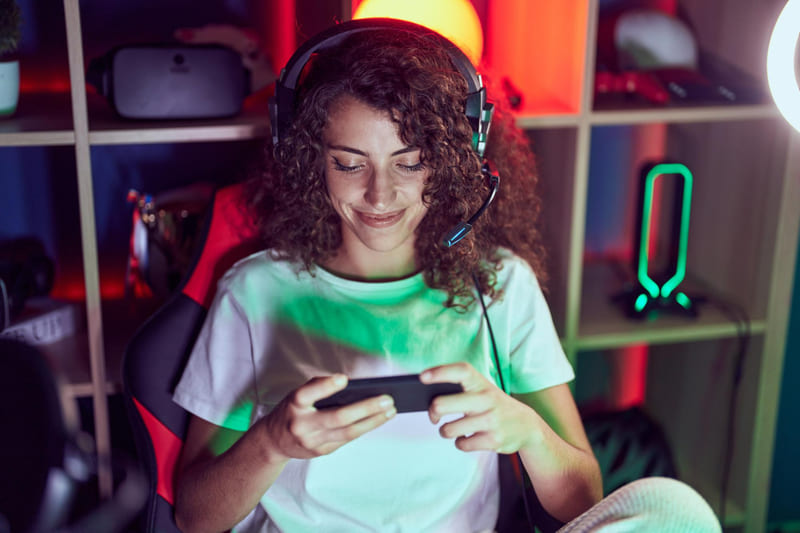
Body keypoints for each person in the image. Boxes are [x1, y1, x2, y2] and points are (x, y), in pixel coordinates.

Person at [171, 18, 720, 533]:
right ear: (310, 160)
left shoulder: (501, 286)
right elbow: (195, 518)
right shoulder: (255, 293)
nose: (378, 195)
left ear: (455, 160)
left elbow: (583, 498)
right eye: (349, 162)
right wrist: (272, 443)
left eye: (408, 162)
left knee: (676, 510)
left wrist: (524, 429)